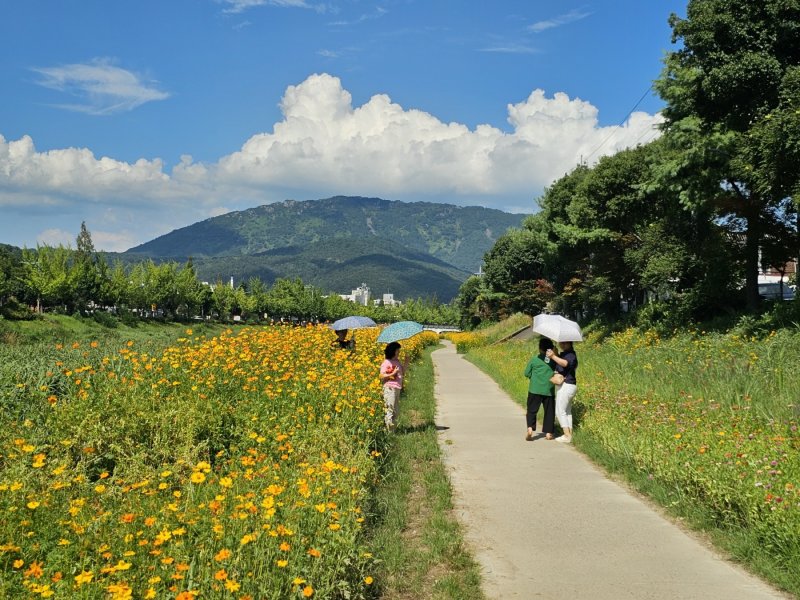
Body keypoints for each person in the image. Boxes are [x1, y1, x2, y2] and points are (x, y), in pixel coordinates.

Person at [523, 337, 557, 441]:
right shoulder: (553, 361)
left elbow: (526, 373)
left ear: (539, 348)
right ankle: (548, 433)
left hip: (534, 389)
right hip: (549, 390)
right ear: (550, 349)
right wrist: (555, 353)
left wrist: (533, 378)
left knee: (532, 410)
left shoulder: (534, 360)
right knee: (549, 411)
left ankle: (530, 428)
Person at [547, 341, 578, 443]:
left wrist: (553, 356)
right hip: (568, 386)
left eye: (565, 343)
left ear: (570, 343)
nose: (562, 345)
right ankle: (569, 434)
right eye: (561, 343)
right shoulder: (565, 354)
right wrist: (555, 354)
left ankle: (566, 435)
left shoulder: (571, 354)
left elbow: (565, 363)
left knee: (560, 411)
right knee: (567, 411)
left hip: (566, 385)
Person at [379, 341, 407, 431]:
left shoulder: (397, 361)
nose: (399, 352)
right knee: (390, 410)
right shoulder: (386, 362)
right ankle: (388, 432)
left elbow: (403, 372)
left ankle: (392, 430)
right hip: (389, 388)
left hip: (397, 387)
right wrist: (393, 373)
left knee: (396, 410)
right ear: (393, 351)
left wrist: (406, 362)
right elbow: (382, 376)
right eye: (398, 351)